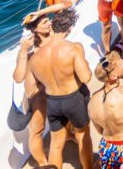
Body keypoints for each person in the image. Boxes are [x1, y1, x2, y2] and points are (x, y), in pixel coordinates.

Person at [25, 9, 93, 169]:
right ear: (68, 29)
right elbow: (86, 77)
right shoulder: (73, 48)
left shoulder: (34, 58)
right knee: (83, 135)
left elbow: (30, 90)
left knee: (56, 142)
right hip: (74, 99)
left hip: (53, 102)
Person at [13, 3, 69, 166]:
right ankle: (43, 163)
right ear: (35, 30)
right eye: (44, 22)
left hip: (58, 89)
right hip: (39, 95)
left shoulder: (54, 36)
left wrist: (41, 12)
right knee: (36, 131)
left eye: (48, 21)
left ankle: (70, 135)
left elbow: (66, 4)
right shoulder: (29, 50)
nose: (49, 23)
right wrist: (23, 52)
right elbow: (18, 77)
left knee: (66, 120)